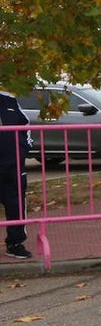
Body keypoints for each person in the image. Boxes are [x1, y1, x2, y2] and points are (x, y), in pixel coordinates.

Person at [0, 86, 32, 259]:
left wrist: (23, 149)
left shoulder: (9, 100)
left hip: (13, 165)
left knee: (16, 204)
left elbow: (25, 123)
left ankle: (15, 242)